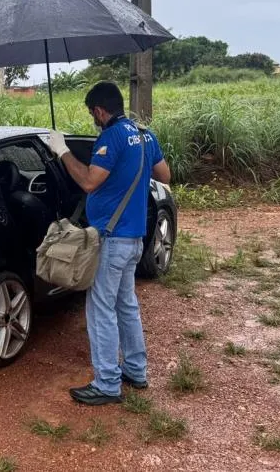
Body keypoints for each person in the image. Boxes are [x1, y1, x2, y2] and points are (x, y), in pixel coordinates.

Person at [47, 81, 172, 406]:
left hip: (111, 239)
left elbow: (89, 181)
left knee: (101, 309)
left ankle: (106, 383)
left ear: (100, 110)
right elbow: (165, 175)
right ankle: (135, 370)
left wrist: (61, 151)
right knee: (126, 305)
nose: (93, 120)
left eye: (93, 114)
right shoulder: (145, 135)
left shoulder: (111, 137)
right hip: (134, 240)